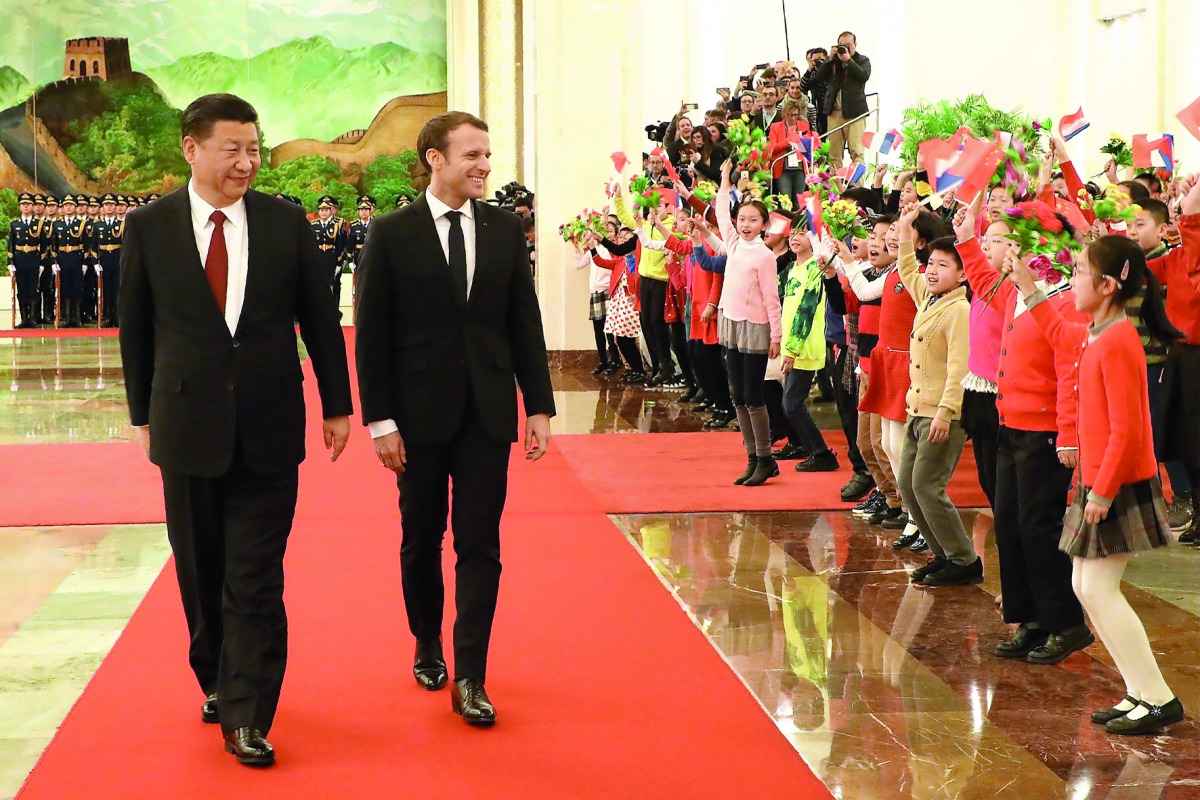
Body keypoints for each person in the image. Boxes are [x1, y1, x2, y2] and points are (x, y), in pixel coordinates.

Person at [119, 93, 353, 766]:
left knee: (254, 575)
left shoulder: (285, 222)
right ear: (191, 149)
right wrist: (141, 415)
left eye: (254, 149)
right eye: (233, 149)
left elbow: (319, 317)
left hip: (270, 424)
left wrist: (336, 404)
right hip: (185, 423)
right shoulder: (151, 227)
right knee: (201, 569)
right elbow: (135, 330)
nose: (247, 162)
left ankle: (249, 712)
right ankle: (217, 675)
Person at [354, 111, 555, 727]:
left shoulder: (503, 230)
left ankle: (471, 672)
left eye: (488, 155)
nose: (484, 166)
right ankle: (426, 642)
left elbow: (524, 320)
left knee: (480, 544)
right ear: (435, 159)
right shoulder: (391, 233)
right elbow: (372, 336)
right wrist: (379, 421)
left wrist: (539, 404)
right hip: (415, 419)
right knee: (420, 541)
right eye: (472, 155)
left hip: (487, 414)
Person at [1004, 235, 1184, 736]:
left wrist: (1101, 492)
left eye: (1081, 271)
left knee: (1099, 590)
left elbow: (1128, 429)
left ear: (1107, 286)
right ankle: (1141, 692)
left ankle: (1159, 696)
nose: (1073, 278)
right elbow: (1062, 336)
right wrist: (1030, 289)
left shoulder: (1121, 340)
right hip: (1099, 478)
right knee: (1086, 586)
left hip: (1116, 482)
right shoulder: (1098, 330)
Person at [954, 205, 1094, 666]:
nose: (1011, 251)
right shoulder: (1017, 289)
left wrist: (1069, 433)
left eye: (1019, 243)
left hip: (1045, 431)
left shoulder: (1065, 297)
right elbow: (980, 277)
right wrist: (965, 239)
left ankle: (1065, 623)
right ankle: (1029, 617)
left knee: (1038, 528)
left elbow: (1069, 368)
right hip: (1010, 422)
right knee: (1009, 525)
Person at [892, 209, 980, 586]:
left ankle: (964, 559)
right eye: (930, 263)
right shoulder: (929, 300)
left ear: (962, 274)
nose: (930, 270)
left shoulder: (959, 309)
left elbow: (960, 367)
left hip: (942, 415)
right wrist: (906, 225)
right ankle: (943, 554)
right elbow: (906, 266)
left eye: (942, 265)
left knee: (927, 486)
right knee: (909, 487)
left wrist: (946, 413)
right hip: (917, 409)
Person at [714, 160, 783, 486]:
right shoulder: (734, 244)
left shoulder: (765, 255)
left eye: (752, 220)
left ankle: (766, 457)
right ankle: (752, 457)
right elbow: (718, 213)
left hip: (756, 328)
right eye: (742, 219)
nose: (745, 224)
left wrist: (776, 336)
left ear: (763, 225)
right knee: (737, 395)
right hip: (732, 323)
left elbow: (772, 298)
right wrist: (726, 179)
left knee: (754, 396)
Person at [779, 220, 838, 471]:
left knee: (792, 403)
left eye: (802, 233)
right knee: (789, 402)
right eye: (793, 233)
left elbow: (806, 310)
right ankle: (807, 446)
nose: (795, 238)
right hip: (791, 345)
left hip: (805, 346)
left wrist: (792, 349)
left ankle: (822, 453)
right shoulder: (793, 268)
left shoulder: (815, 269)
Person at [813, 32, 871, 169]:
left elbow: (863, 76)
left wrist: (848, 60)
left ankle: (857, 187)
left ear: (855, 45)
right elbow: (819, 78)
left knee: (857, 151)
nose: (845, 49)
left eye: (849, 46)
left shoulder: (862, 60)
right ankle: (835, 187)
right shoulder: (834, 62)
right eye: (842, 46)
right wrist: (829, 59)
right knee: (834, 154)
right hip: (834, 113)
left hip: (855, 113)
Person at [51, 195, 87, 328]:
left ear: (75, 207)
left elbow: (86, 244)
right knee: (65, 288)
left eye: (71, 205)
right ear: (63, 208)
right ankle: (66, 317)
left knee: (77, 288)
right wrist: (54, 262)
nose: (68, 207)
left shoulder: (81, 224)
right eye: (66, 205)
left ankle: (77, 317)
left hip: (77, 258)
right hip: (63, 259)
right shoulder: (57, 224)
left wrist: (85, 263)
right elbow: (53, 245)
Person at [7, 192, 41, 328]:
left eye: (28, 204)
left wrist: (43, 263)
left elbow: (44, 245)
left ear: (32, 206)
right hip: (20, 261)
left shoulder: (38, 224)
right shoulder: (14, 224)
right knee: (21, 291)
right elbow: (11, 244)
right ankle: (23, 318)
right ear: (20, 207)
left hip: (34, 260)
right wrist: (10, 262)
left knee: (33, 290)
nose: (26, 207)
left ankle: (32, 318)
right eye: (23, 205)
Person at [799, 48, 829, 135]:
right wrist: (809, 71)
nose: (818, 62)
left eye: (820, 59)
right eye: (815, 60)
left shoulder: (832, 71)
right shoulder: (812, 74)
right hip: (817, 109)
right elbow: (803, 87)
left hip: (831, 110)